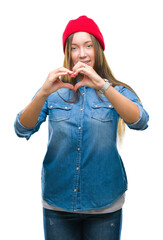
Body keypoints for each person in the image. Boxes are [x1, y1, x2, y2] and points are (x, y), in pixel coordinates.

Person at [14, 15, 149, 240]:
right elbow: (22, 128)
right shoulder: (53, 91)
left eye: (88, 46)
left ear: (98, 49)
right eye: (75, 47)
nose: (82, 54)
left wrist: (103, 86)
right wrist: (43, 93)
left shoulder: (115, 90)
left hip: (105, 204)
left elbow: (141, 121)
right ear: (68, 52)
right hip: (58, 203)